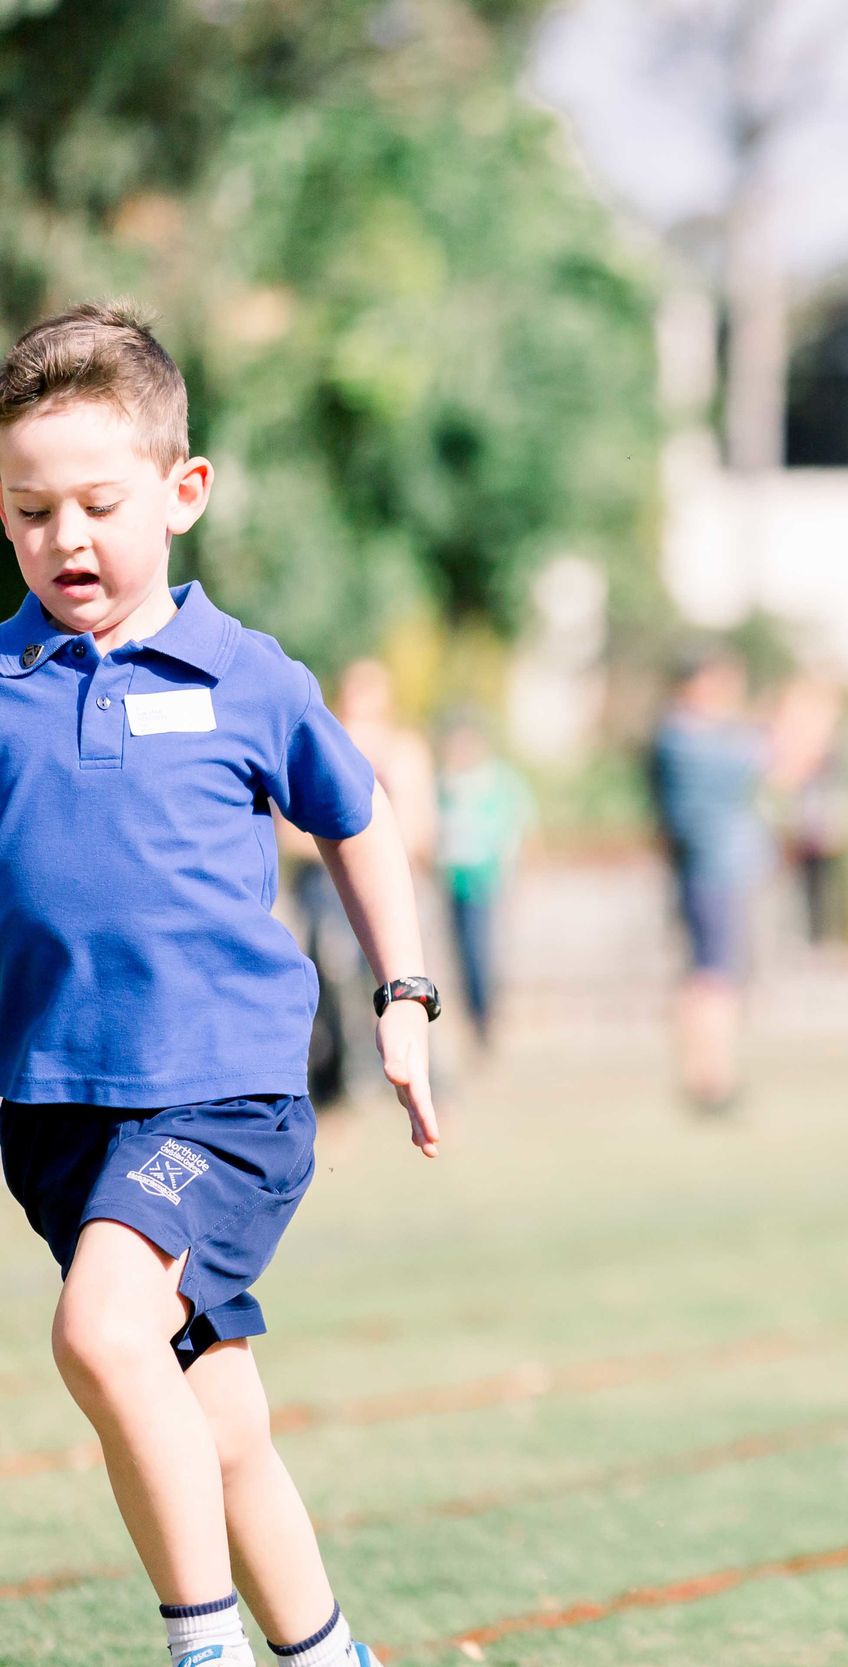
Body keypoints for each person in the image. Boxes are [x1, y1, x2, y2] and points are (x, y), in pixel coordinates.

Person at [0, 303, 438, 1667]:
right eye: (30, 510)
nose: (66, 538)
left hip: (223, 1098)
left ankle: (207, 1648)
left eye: (98, 504)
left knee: (102, 1329)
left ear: (182, 491)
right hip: (56, 1109)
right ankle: (329, 1653)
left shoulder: (248, 677)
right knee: (219, 1414)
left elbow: (358, 819)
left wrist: (405, 994)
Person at [294, 659, 434, 1105]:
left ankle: (421, 1074)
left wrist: (380, 855)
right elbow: (290, 831)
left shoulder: (404, 751)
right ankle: (343, 1079)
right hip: (325, 888)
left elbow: (419, 824)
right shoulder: (322, 740)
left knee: (409, 983)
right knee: (334, 977)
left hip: (400, 884)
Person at [648, 646, 769, 1116]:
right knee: (712, 977)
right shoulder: (684, 738)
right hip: (712, 872)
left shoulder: (690, 735)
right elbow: (760, 760)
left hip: (709, 871)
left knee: (712, 974)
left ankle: (710, 1074)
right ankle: (709, 1077)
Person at [435, 711, 533, 1054]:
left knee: (483, 955)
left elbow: (516, 832)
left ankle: (486, 1021)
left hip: (485, 883)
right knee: (462, 957)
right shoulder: (446, 785)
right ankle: (475, 1022)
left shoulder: (497, 782)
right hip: (454, 883)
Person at [771, 675, 848, 952]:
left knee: (824, 879)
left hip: (824, 818)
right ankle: (806, 933)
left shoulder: (838, 740)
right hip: (803, 817)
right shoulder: (800, 735)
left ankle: (823, 935)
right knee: (800, 877)